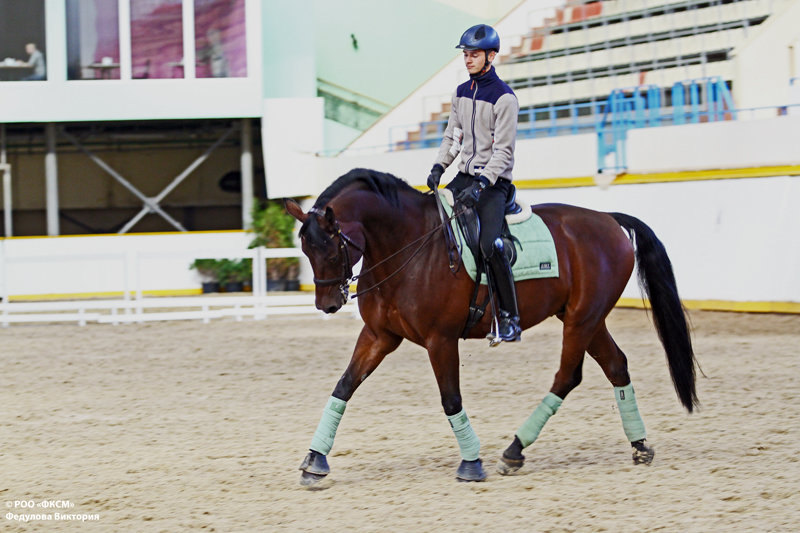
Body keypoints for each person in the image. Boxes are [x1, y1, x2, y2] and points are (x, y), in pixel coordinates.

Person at [427, 24, 521, 343]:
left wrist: (482, 184)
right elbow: (453, 138)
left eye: (474, 54)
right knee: (430, 223)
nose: (468, 59)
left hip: (493, 184)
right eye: (465, 54)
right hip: (463, 177)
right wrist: (439, 167)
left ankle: (509, 318)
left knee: (489, 244)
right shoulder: (460, 93)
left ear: (491, 56)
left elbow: (503, 152)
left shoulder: (505, 99)